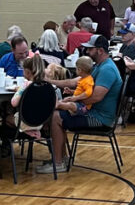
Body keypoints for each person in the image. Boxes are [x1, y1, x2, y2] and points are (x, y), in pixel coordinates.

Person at [43, 35, 122, 173]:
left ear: (100, 51)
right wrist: (49, 81)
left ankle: (58, 162)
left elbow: (96, 97)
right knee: (57, 113)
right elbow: (74, 82)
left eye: (90, 49)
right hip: (91, 111)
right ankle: (61, 158)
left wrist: (72, 100)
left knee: (56, 117)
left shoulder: (107, 70)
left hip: (100, 118)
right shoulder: (99, 66)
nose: (86, 51)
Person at [10, 55, 56, 138]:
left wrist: (19, 91)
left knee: (6, 119)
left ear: (27, 72)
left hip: (24, 122)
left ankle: (25, 132)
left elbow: (14, 103)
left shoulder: (26, 85)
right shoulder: (49, 87)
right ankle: (33, 131)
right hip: (41, 122)